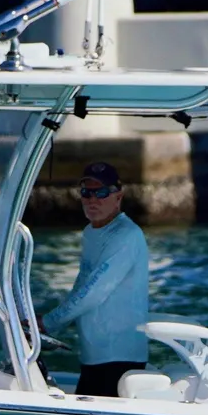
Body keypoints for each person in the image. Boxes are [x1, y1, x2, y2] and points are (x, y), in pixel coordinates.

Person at [41, 159, 151, 397]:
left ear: (118, 196)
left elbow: (94, 291)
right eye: (86, 193)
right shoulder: (91, 232)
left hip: (119, 355)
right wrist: (51, 326)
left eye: (101, 192)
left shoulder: (126, 236)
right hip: (94, 353)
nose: (92, 200)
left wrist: (49, 322)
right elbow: (81, 284)